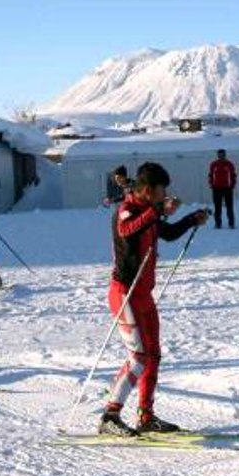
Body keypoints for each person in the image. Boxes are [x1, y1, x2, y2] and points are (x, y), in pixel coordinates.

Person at [98, 162, 209, 436]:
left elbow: (167, 233)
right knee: (137, 357)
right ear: (148, 191)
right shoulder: (126, 211)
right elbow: (128, 230)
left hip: (144, 294)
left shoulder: (148, 210)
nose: (165, 195)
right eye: (161, 191)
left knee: (153, 356)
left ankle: (146, 416)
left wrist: (191, 219)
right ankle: (109, 417)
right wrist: (158, 210)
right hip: (125, 293)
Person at [208, 149, 237, 229]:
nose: (221, 156)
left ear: (225, 155)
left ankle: (231, 223)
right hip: (216, 188)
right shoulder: (214, 164)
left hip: (227, 188)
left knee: (229, 207)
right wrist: (211, 184)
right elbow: (210, 175)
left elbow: (233, 175)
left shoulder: (229, 164)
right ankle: (218, 223)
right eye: (219, 155)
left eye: (223, 155)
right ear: (218, 155)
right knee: (217, 207)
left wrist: (232, 185)